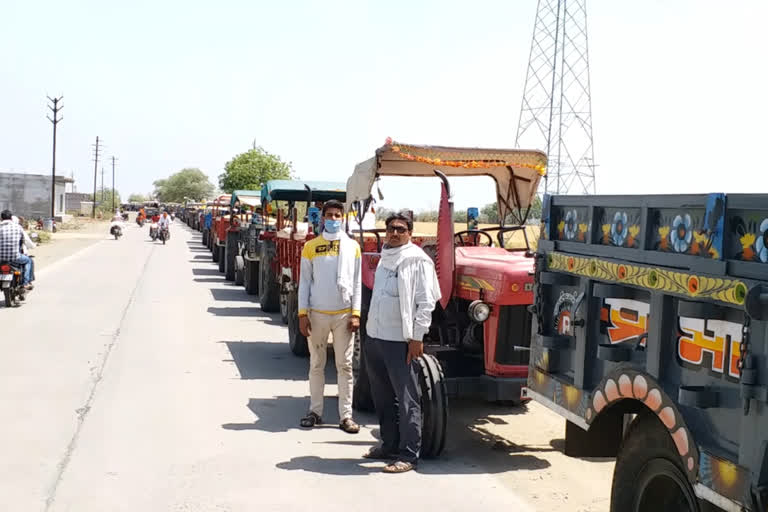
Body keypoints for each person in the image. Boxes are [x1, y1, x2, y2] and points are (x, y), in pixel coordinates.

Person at [363, 211, 440, 473]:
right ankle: (389, 444)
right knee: (382, 396)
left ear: (410, 233)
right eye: (391, 228)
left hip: (400, 341)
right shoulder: (385, 257)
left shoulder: (416, 261)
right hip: (375, 337)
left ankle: (408, 454)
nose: (395, 233)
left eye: (401, 229)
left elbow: (426, 302)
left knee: (407, 399)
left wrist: (417, 337)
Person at [297, 199, 362, 434]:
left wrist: (356, 313)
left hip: (344, 315)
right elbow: (304, 282)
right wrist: (302, 314)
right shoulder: (311, 246)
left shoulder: (352, 247)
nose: (334, 219)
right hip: (317, 315)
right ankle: (315, 412)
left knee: (344, 366)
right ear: (322, 218)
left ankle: (346, 416)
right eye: (330, 215)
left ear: (343, 218)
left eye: (337, 215)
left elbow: (356, 281)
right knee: (316, 364)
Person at [0, 210, 34, 290]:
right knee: (29, 261)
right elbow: (26, 241)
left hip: (0, 258)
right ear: (11, 218)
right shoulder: (18, 227)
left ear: (1, 218)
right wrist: (33, 246)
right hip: (15, 257)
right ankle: (25, 283)